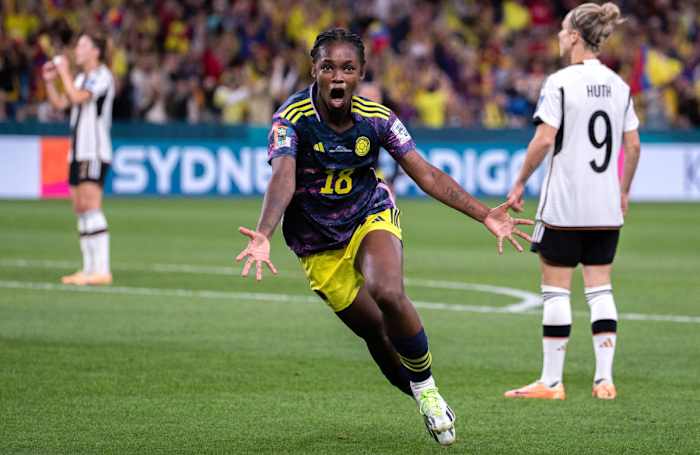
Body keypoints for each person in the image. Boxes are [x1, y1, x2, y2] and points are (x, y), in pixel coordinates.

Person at [235, 28, 532, 446]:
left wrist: (485, 215)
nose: (337, 77)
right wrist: (264, 233)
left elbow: (425, 173)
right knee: (375, 330)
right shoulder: (291, 120)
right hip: (317, 244)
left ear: (361, 74)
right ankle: (419, 393)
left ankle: (428, 388)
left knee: (387, 292)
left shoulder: (378, 119)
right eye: (328, 67)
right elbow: (282, 178)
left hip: (367, 216)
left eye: (347, 68)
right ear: (314, 71)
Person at [504, 2, 641, 401]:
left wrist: (519, 182)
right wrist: (624, 190)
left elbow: (545, 139)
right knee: (600, 290)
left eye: (563, 30)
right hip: (605, 208)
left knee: (556, 291)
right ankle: (604, 380)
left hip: (565, 205)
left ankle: (551, 382)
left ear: (576, 37)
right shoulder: (619, 86)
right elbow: (632, 147)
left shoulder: (560, 82)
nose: (560, 36)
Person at [42, 31, 115, 286]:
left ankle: (102, 269)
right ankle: (88, 268)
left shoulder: (102, 76)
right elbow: (61, 104)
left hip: (94, 151)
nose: (77, 50)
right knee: (80, 209)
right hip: (76, 151)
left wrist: (63, 71)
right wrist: (50, 82)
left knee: (92, 205)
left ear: (96, 51)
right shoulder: (82, 77)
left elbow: (75, 97)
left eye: (83, 45)